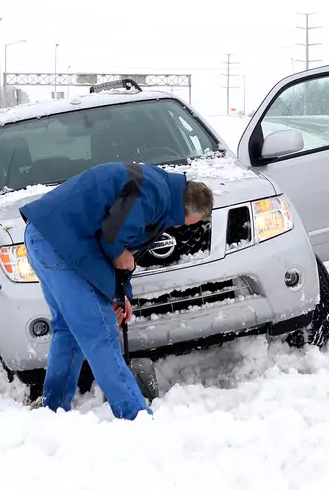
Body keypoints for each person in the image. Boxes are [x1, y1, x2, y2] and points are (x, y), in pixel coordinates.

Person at [19, 161, 214, 420]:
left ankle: (53, 411)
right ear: (188, 209)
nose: (186, 227)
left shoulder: (160, 193)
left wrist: (120, 295)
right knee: (100, 332)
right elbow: (112, 240)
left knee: (69, 329)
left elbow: (119, 250)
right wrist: (119, 275)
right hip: (59, 243)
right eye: (193, 221)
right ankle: (136, 418)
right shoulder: (153, 194)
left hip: (44, 236)